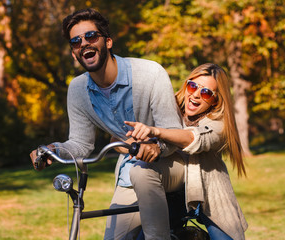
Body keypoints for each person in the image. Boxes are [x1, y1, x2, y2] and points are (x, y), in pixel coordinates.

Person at [29, 8, 184, 239]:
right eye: (76, 41)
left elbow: (173, 132)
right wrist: (53, 149)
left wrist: (157, 147)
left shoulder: (150, 73)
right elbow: (81, 144)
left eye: (91, 36)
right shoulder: (78, 89)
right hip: (129, 173)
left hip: (172, 164)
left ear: (108, 42)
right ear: (74, 53)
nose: (83, 43)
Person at [125, 63, 248, 240]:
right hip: (168, 195)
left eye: (206, 93)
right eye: (193, 86)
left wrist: (157, 132)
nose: (196, 95)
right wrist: (137, 141)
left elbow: (194, 139)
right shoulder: (167, 109)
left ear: (215, 100)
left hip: (207, 193)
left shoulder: (220, 124)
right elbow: (129, 137)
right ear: (186, 84)